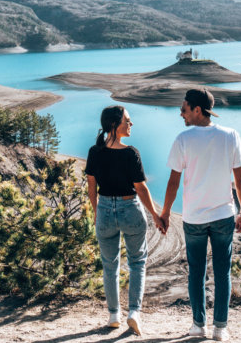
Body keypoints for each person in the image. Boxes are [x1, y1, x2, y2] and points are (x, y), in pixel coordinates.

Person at [160, 88, 241, 341]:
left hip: (194, 218)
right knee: (223, 273)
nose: (181, 113)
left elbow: (173, 183)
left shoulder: (183, 140)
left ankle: (198, 325)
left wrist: (165, 213)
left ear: (197, 110)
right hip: (223, 215)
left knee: (196, 272)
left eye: (184, 108)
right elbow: (240, 182)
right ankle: (220, 328)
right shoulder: (231, 135)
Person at [85, 105, 163, 336]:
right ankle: (134, 313)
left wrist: (97, 211)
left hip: (105, 209)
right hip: (130, 209)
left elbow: (92, 186)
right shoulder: (131, 153)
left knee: (110, 265)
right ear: (113, 125)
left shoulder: (94, 151)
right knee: (137, 262)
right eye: (127, 121)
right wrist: (156, 216)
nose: (131, 124)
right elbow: (141, 189)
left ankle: (113, 315)